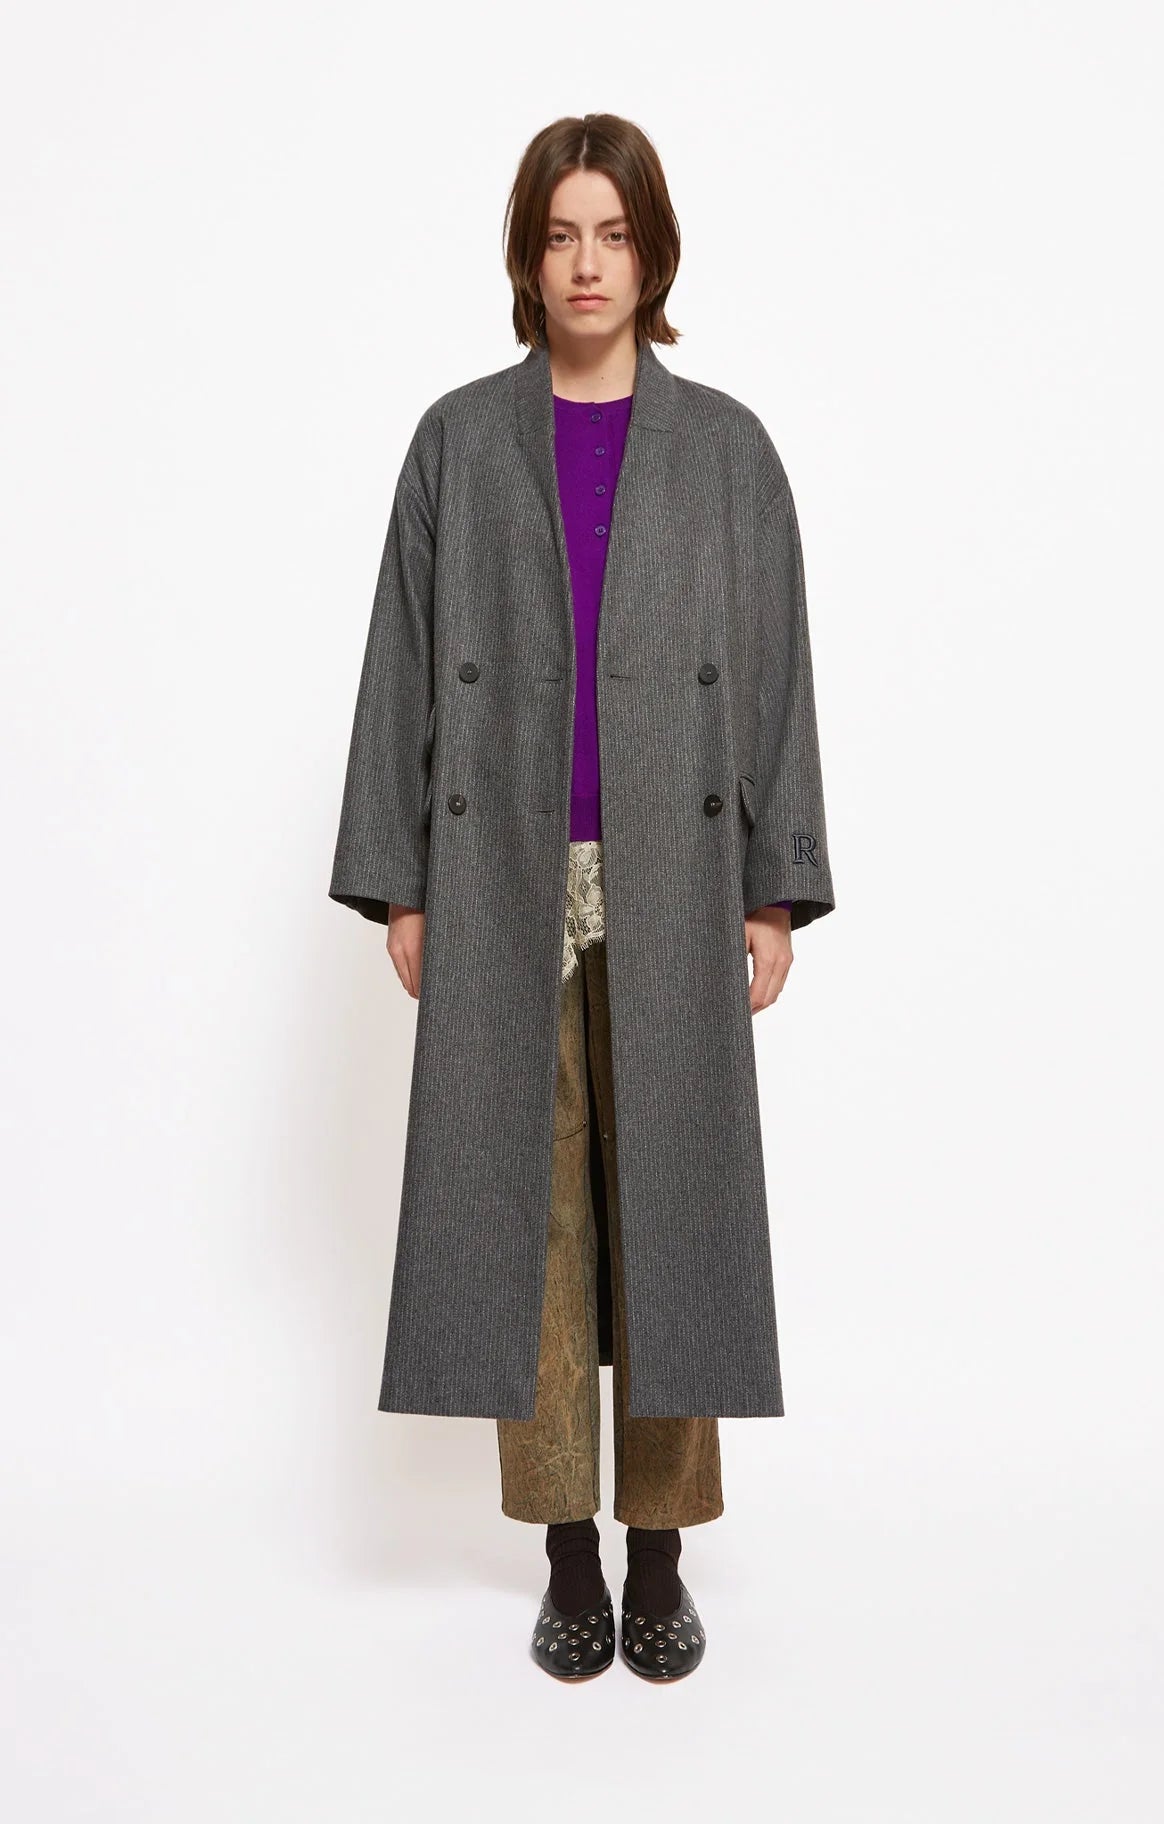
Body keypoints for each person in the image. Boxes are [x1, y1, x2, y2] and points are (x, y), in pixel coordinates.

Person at [328, 113, 835, 1683]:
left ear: (654, 253)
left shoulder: (729, 449)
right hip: (502, 877)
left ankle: (662, 1552)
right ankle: (565, 1552)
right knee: (528, 1213)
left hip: (678, 876)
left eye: (613, 234)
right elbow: (404, 660)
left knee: (672, 1206)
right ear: (528, 257)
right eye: (561, 235)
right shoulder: (458, 441)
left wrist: (774, 888)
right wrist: (401, 883)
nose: (587, 264)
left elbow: (775, 677)